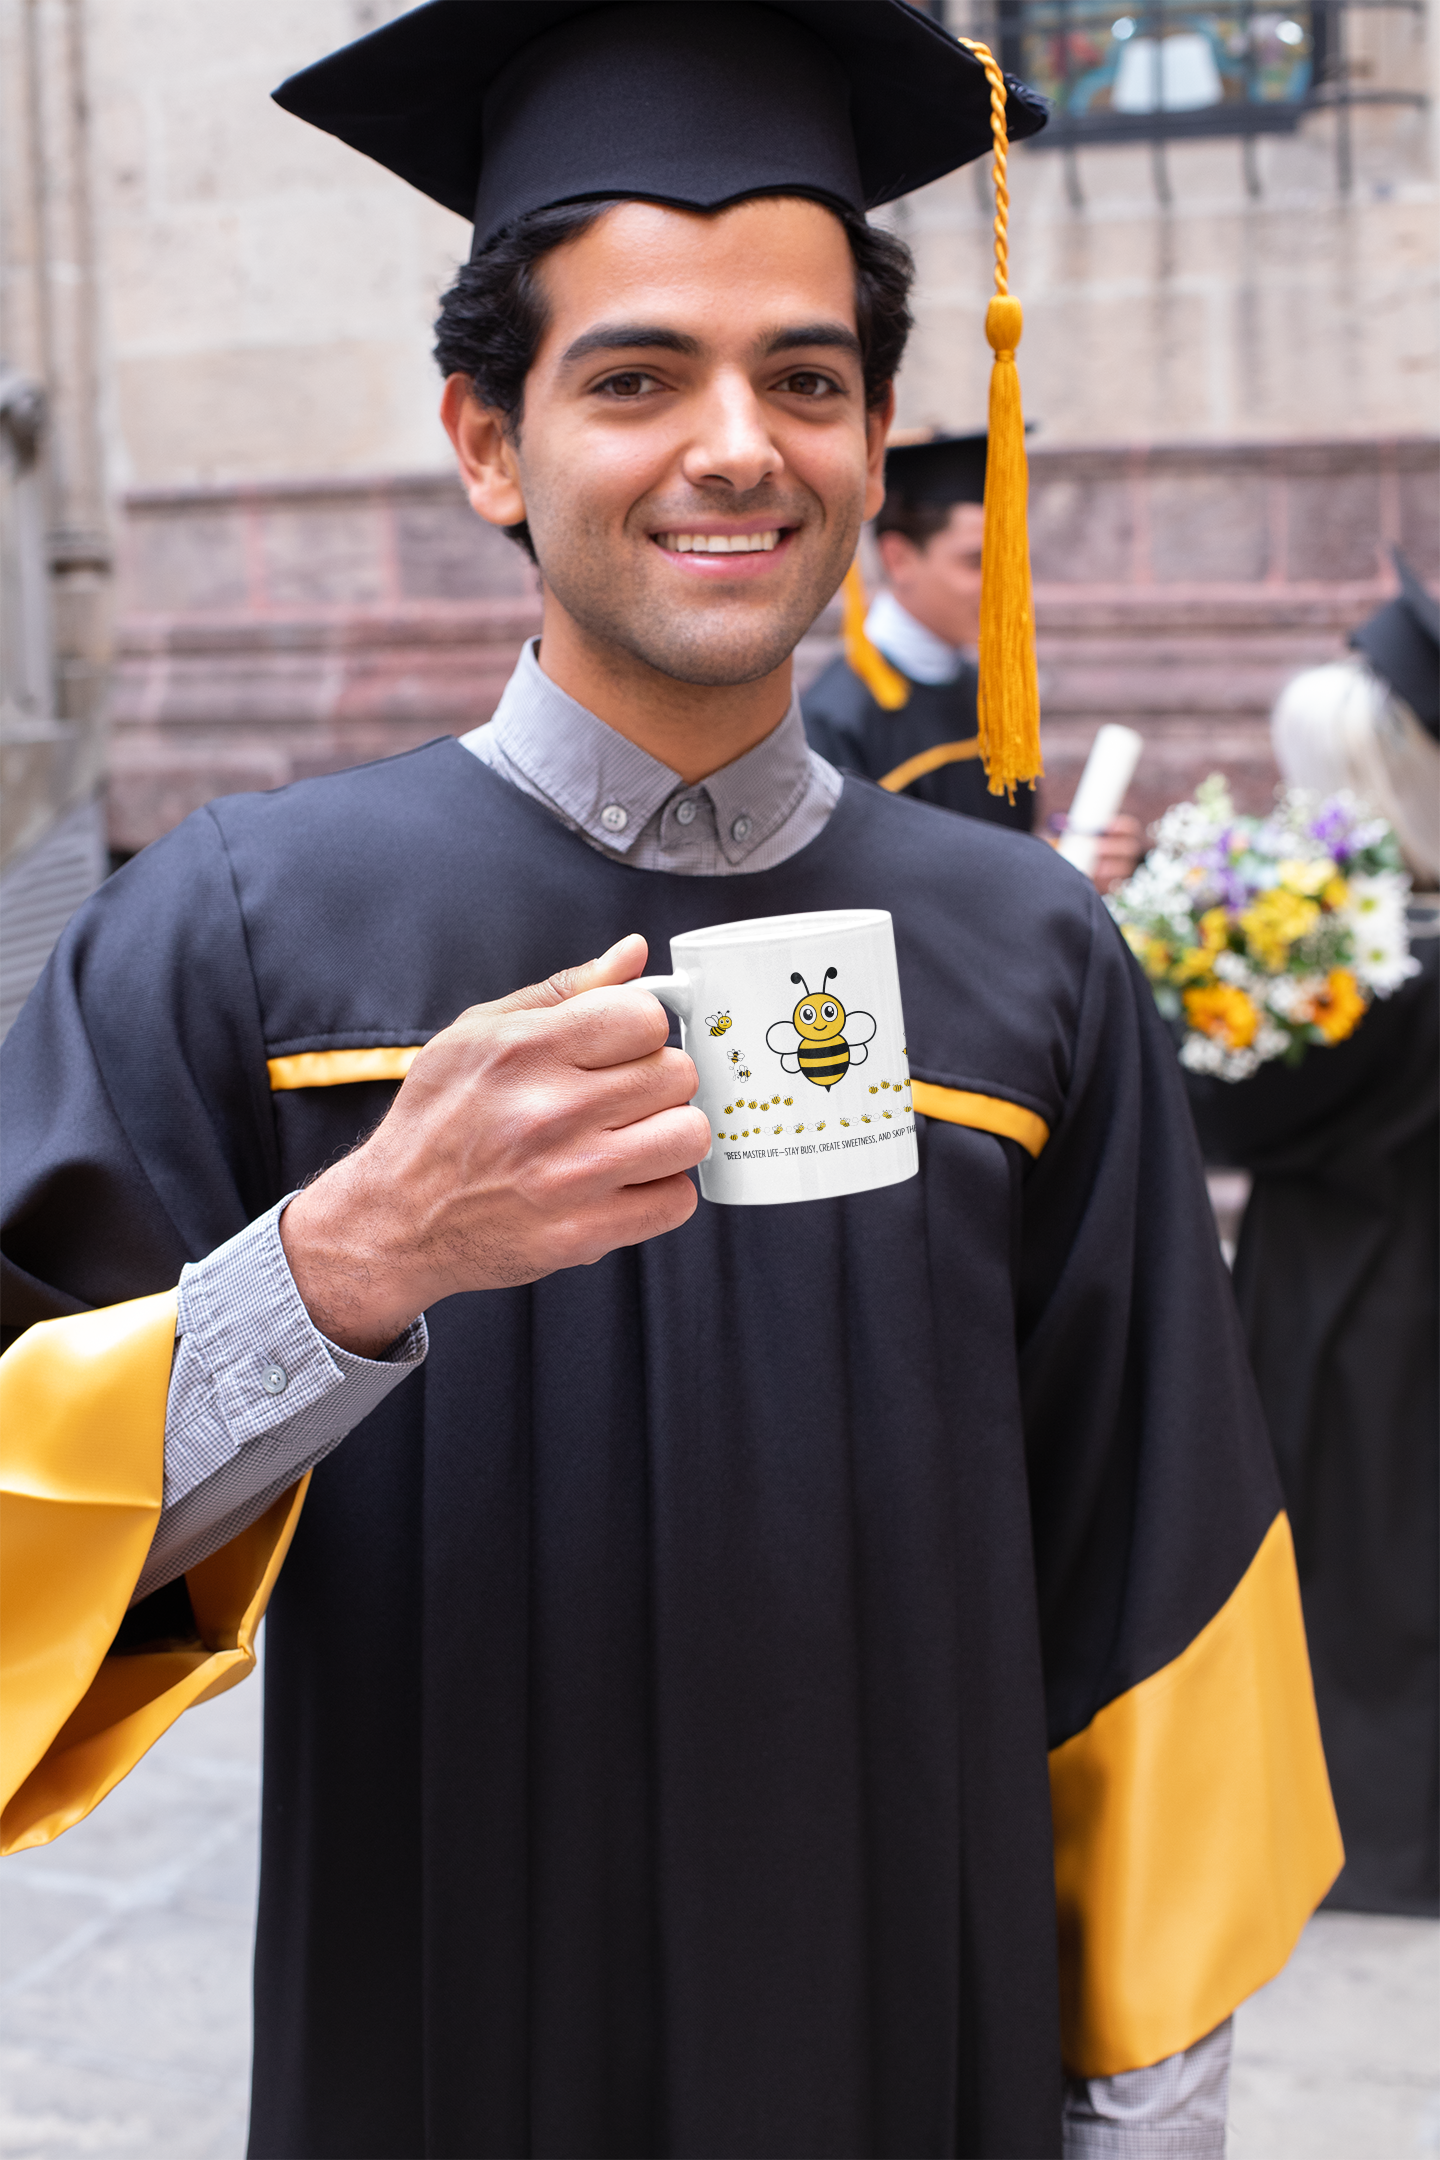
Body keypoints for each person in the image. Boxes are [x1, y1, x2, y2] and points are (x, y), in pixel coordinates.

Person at [0, 4, 1339, 2156]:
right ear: (487, 441)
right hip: (438, 2049)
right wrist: (336, 1268)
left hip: (926, 2056)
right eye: (635, 377)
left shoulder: (1025, 961)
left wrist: (1147, 2119)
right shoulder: (251, 936)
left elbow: (1153, 1583)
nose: (737, 444)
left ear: (877, 427)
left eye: (803, 378)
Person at [1189, 551, 1440, 1918]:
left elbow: (1234, 1127)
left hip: (1349, 1301)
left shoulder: (1362, 973)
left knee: (1357, 1579)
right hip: (1378, 1286)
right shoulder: (1368, 949)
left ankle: (1378, 1841)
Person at [801, 429, 1141, 887]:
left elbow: (1003, 846)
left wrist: (1069, 854)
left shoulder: (988, 692)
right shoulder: (837, 720)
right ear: (898, 558)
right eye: (977, 561)